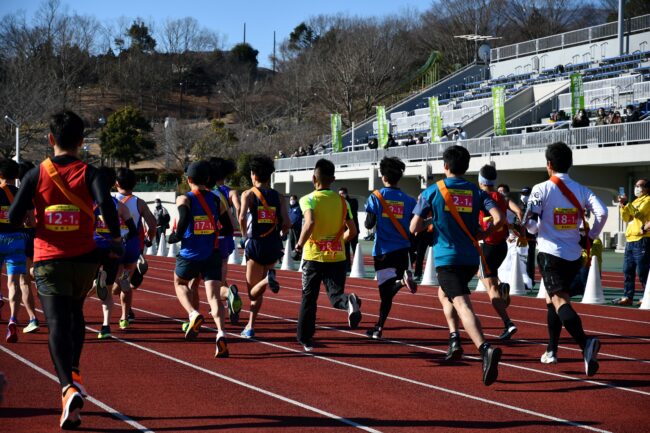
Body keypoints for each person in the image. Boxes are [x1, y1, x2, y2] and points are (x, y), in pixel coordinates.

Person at [9, 110, 123, 428]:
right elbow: (109, 209)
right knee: (76, 316)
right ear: (81, 141)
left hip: (49, 260)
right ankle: (74, 373)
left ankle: (67, 386)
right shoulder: (93, 173)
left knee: (57, 322)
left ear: (50, 139)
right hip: (85, 259)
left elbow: (14, 218)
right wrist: (114, 239)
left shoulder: (35, 174)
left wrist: (32, 219)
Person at [410, 145, 503, 386]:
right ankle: (454, 339)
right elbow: (500, 218)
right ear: (466, 167)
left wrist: (433, 221)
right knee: (444, 294)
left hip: (447, 257)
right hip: (470, 258)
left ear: (445, 166)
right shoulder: (475, 191)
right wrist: (484, 232)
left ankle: (484, 348)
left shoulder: (431, 192)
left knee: (461, 302)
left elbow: (414, 228)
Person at [522, 141, 607, 374]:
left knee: (559, 301)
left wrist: (535, 229)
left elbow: (529, 223)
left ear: (549, 164)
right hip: (574, 254)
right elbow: (602, 212)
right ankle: (551, 350)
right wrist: (590, 235)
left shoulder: (541, 189)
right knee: (552, 301)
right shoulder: (581, 189)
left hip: (550, 253)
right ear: (570, 164)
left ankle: (585, 343)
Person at [294, 159, 362, 351]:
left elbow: (310, 222)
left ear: (313, 178)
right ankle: (349, 301)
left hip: (313, 257)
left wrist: (298, 245)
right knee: (336, 296)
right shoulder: (343, 202)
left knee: (309, 298)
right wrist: (338, 242)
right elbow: (353, 231)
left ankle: (305, 338)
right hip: (337, 257)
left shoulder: (308, 199)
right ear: (333, 179)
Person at [168, 161, 234, 357]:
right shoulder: (215, 200)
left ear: (188, 180)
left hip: (190, 254)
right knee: (214, 298)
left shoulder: (184, 198)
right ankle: (221, 332)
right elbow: (228, 227)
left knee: (179, 282)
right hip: (212, 253)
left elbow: (184, 215)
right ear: (207, 179)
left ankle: (192, 313)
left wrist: (177, 235)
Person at [364, 157, 417, 339]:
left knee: (384, 294)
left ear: (383, 176)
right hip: (403, 249)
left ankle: (379, 328)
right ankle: (378, 328)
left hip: (383, 251)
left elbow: (369, 223)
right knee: (387, 294)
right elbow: (414, 224)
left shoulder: (376, 197)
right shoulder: (408, 200)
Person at [238, 155, 291, 338]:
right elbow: (287, 222)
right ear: (270, 175)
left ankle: (268, 279)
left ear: (253, 174)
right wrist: (282, 234)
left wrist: (244, 235)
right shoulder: (279, 197)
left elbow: (242, 217)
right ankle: (250, 325)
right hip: (273, 244)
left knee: (252, 292)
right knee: (259, 291)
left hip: (255, 244)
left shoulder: (248, 194)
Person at [92, 167, 138, 340]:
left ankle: (96, 280)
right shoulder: (119, 205)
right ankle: (105, 326)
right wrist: (122, 241)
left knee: (82, 287)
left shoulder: (89, 202)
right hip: (113, 249)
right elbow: (132, 230)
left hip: (93, 248)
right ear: (113, 184)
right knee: (109, 290)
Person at [477, 165, 518, 340]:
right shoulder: (502, 197)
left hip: (489, 244)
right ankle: (501, 286)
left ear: (481, 181)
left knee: (489, 287)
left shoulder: (481, 196)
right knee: (485, 275)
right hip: (501, 245)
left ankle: (508, 323)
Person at [112, 168, 156, 330]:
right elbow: (152, 224)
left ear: (116, 183)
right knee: (125, 281)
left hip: (114, 245)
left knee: (113, 283)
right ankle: (124, 317)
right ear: (135, 183)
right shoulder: (139, 202)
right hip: (132, 246)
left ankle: (102, 285)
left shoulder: (109, 199)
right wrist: (148, 240)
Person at [0, 159, 33, 342]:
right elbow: (32, 221)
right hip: (17, 240)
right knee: (14, 282)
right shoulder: (23, 194)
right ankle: (13, 318)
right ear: (17, 176)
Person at [207, 157, 242, 324]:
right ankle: (229, 302)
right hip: (227, 237)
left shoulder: (207, 191)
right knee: (220, 273)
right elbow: (239, 208)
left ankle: (228, 294)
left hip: (212, 237)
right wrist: (240, 225)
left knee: (211, 280)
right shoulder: (231, 191)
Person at [612, 179, 650, 305]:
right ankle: (628, 296)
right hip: (630, 239)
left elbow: (639, 214)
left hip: (642, 239)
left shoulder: (648, 200)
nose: (636, 188)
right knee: (628, 269)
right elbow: (626, 218)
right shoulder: (635, 201)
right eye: (635, 186)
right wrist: (623, 206)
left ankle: (647, 296)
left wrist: (628, 204)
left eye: (639, 186)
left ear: (646, 188)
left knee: (643, 270)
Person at [17, 160, 40, 334]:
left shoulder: (21, 194)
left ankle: (33, 318)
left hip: (25, 236)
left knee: (24, 280)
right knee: (43, 278)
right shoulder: (43, 192)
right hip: (42, 237)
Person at [520, 186, 537, 288]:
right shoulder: (519, 206)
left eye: (526, 194)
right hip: (520, 238)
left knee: (529, 260)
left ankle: (530, 280)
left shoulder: (535, 207)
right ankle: (521, 280)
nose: (524, 197)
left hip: (530, 238)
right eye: (523, 194)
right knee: (520, 260)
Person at [338, 187, 359, 271]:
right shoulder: (339, 203)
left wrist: (344, 202)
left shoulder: (353, 201)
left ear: (346, 193)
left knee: (355, 248)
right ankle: (347, 267)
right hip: (344, 230)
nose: (341, 195)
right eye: (339, 194)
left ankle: (356, 266)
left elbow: (353, 211)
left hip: (353, 229)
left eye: (342, 193)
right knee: (345, 249)